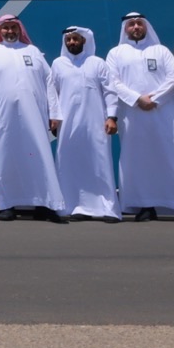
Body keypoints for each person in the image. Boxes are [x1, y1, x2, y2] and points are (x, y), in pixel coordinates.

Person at [106, 13, 174, 221]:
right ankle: (145, 206)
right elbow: (113, 82)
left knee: (173, 155)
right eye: (131, 24)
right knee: (138, 160)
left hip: (163, 113)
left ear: (146, 26)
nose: (136, 27)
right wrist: (137, 99)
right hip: (132, 114)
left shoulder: (161, 51)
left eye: (139, 23)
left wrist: (155, 99)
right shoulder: (116, 53)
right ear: (125, 29)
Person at [0, 14, 66, 221]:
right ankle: (8, 205)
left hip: (35, 115)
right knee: (6, 157)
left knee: (39, 156)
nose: (10, 31)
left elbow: (49, 82)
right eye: (6, 28)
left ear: (19, 29)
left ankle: (45, 204)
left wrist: (54, 113)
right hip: (2, 116)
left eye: (13, 27)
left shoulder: (33, 51)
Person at [48, 26, 121, 221]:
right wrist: (53, 117)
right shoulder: (58, 64)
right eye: (68, 40)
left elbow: (110, 91)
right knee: (69, 163)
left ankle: (107, 208)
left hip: (96, 123)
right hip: (67, 123)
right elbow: (52, 94)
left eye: (75, 39)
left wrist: (112, 117)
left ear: (84, 41)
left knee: (99, 162)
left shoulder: (97, 63)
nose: (71, 42)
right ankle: (74, 207)